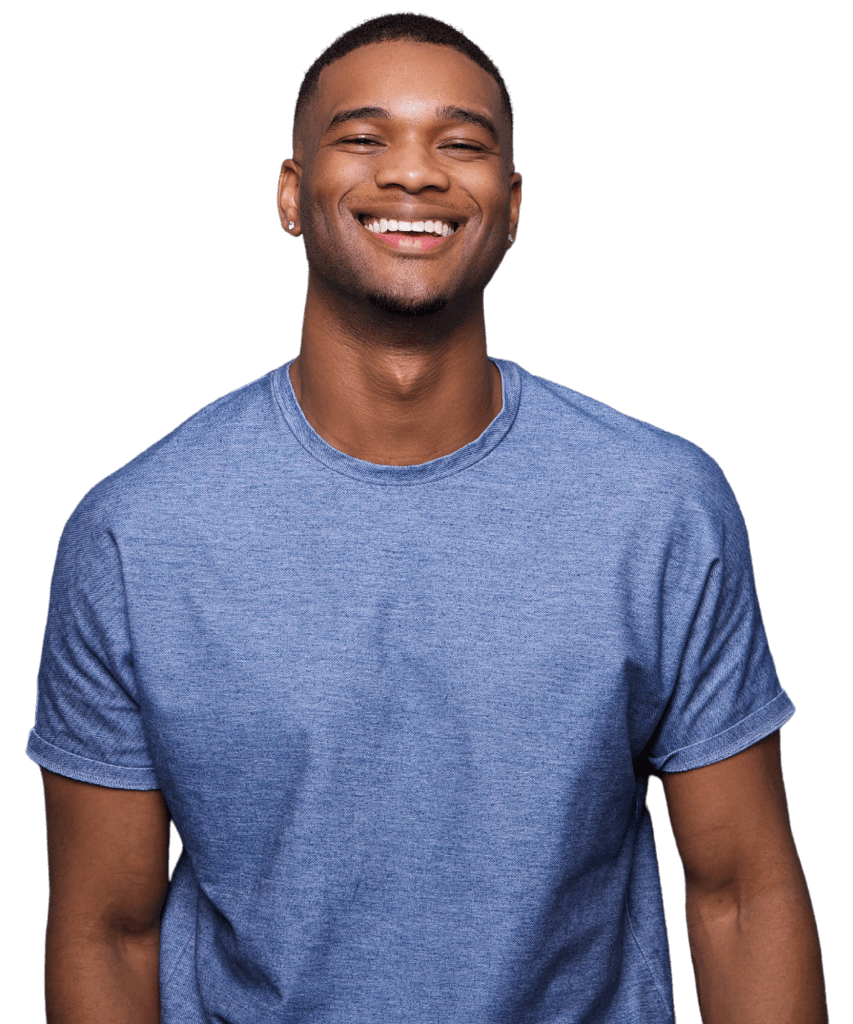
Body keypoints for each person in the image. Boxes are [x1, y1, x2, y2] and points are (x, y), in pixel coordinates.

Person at [27, 11, 829, 1023]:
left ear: (512, 206)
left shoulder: (660, 507)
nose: (413, 173)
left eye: (461, 144)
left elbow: (741, 895)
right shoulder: (134, 535)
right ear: (289, 194)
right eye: (364, 137)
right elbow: (107, 931)